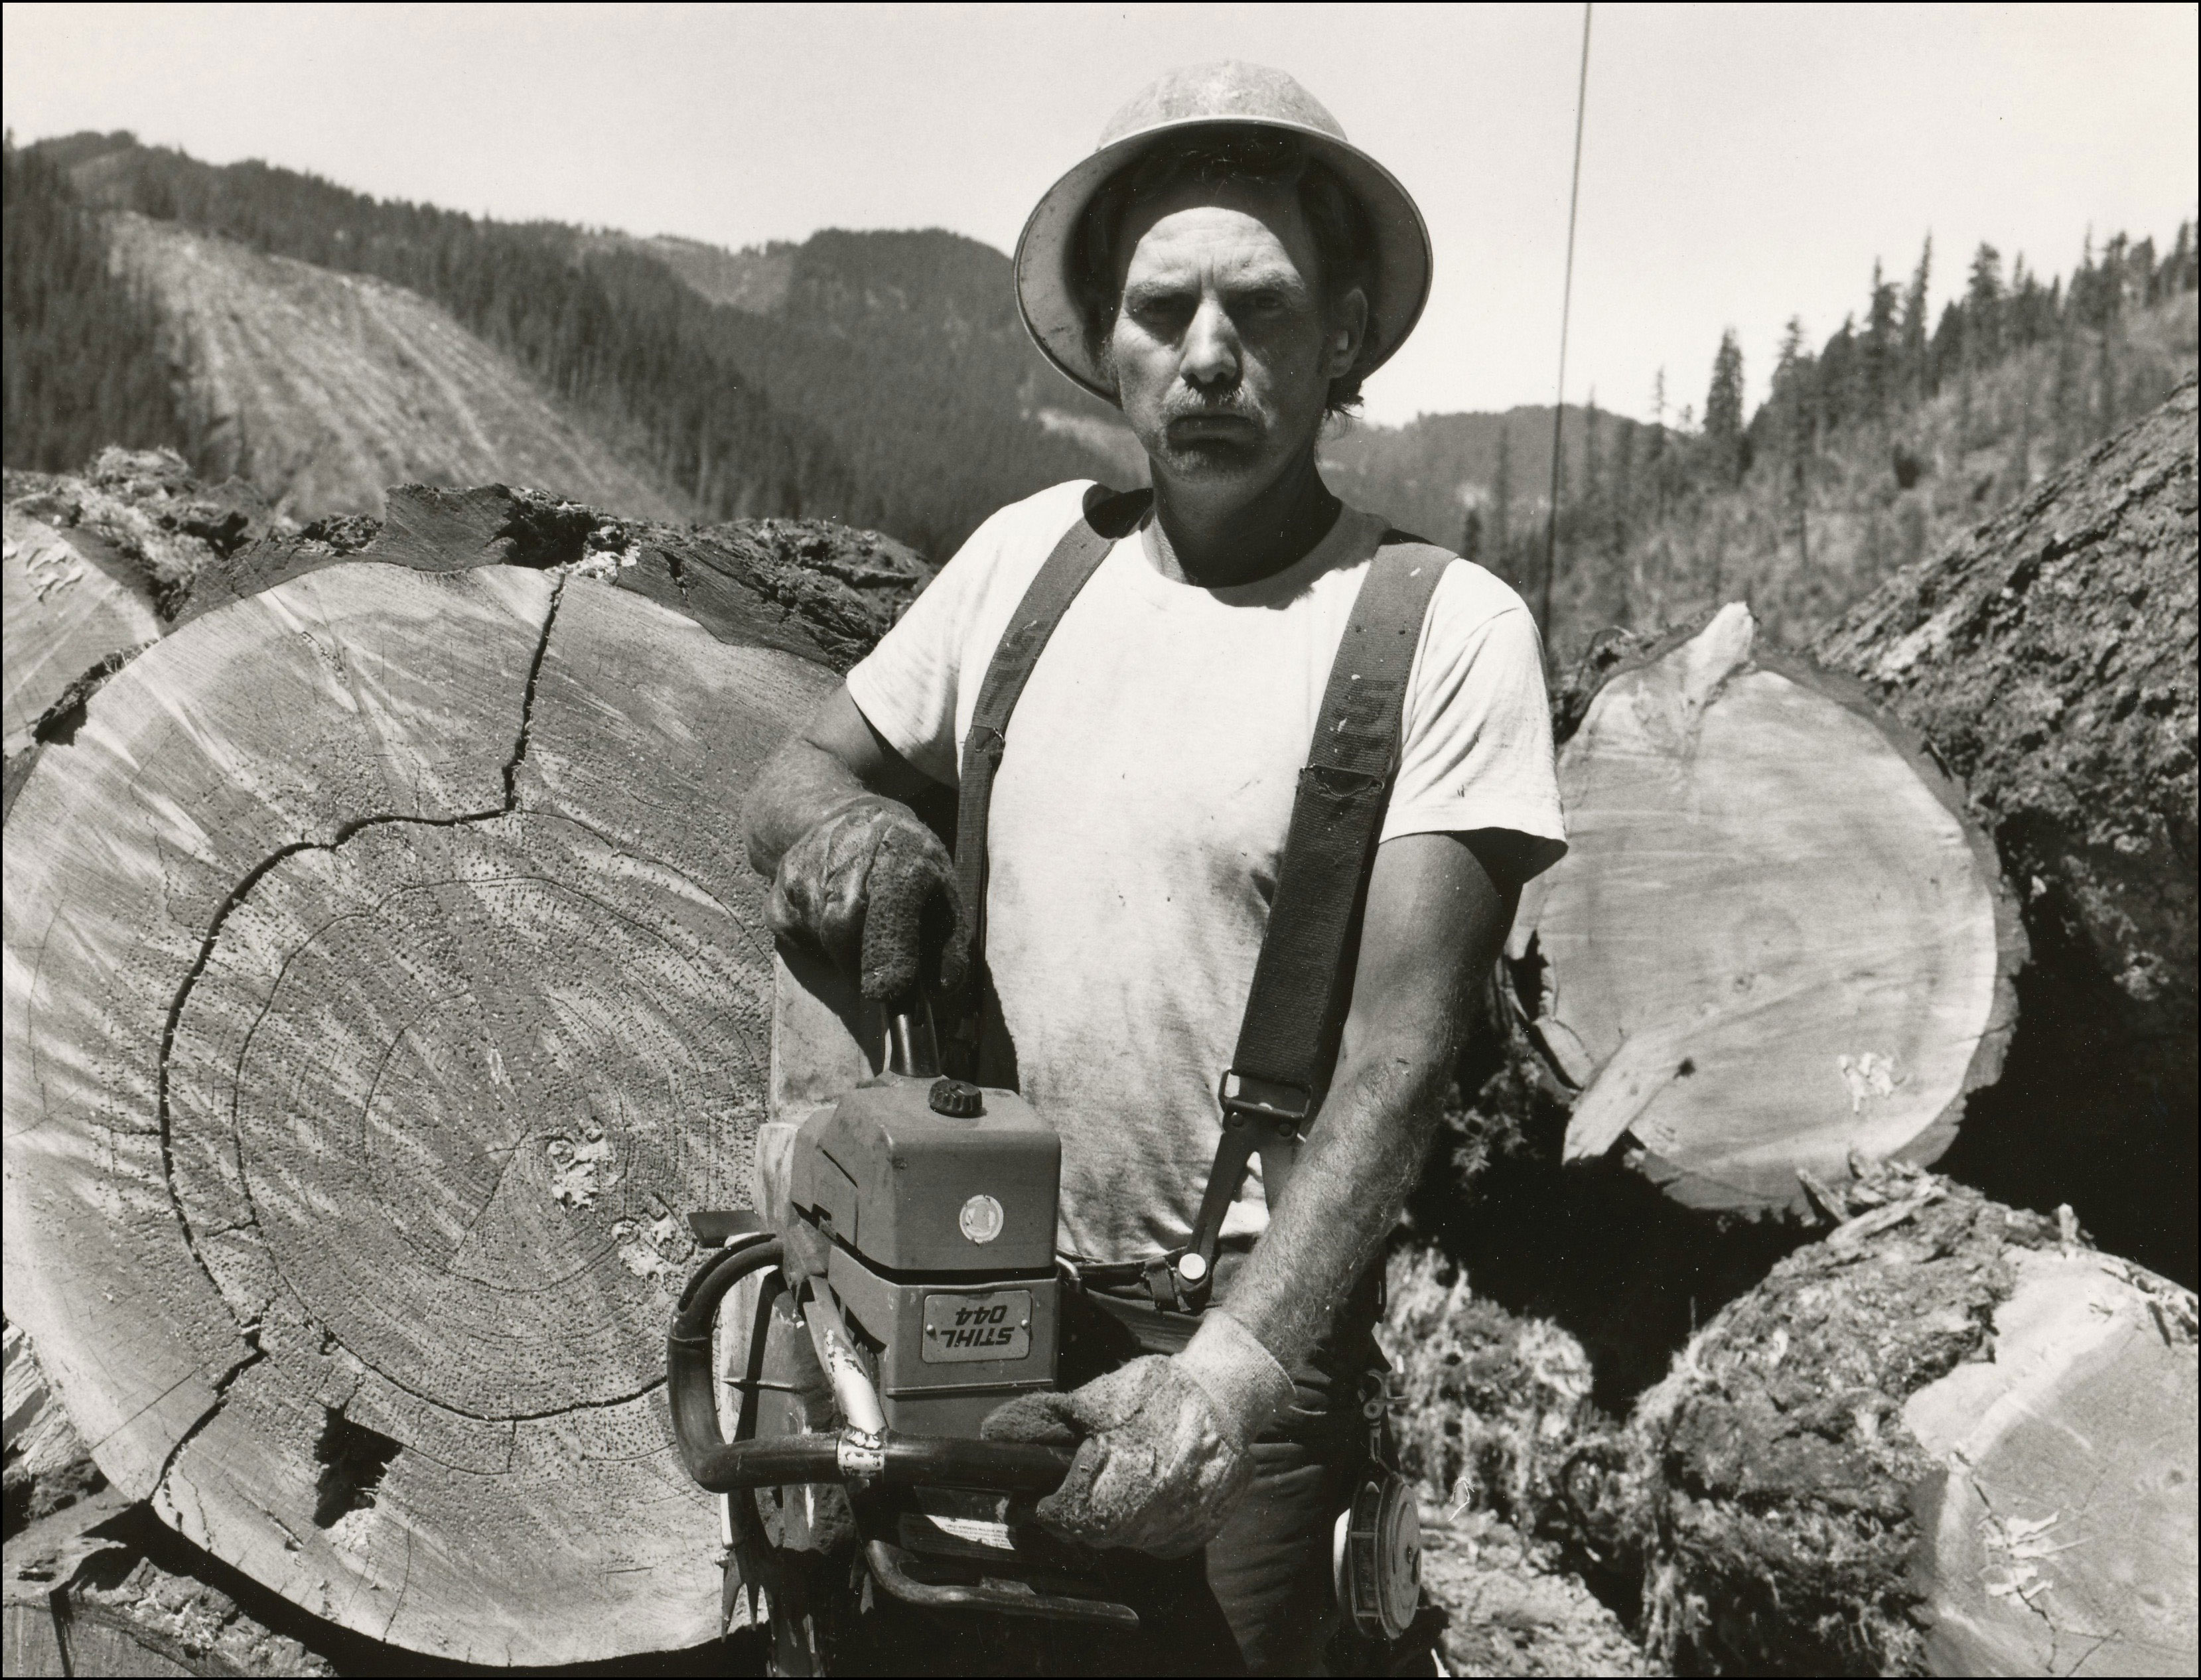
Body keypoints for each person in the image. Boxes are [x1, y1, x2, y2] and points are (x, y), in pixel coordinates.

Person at [743, 60, 1566, 1675]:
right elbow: (794, 774)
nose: (1207, 355)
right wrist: (850, 839)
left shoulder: (1442, 630)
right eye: (1163, 307)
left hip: (1239, 1337)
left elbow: (1403, 1057)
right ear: (1108, 343)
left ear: (1341, 339)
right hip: (958, 1294)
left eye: (1258, 309)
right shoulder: (1029, 561)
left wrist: (1232, 1384)